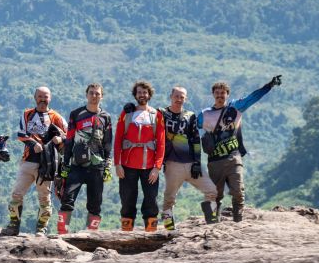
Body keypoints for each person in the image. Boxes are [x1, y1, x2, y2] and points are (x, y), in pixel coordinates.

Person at [197, 75, 282, 222]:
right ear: (213, 94)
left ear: (227, 94)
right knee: (215, 195)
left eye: (222, 93)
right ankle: (212, 223)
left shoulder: (235, 107)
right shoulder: (204, 115)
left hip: (233, 157)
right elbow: (191, 129)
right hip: (215, 161)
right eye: (217, 93)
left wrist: (269, 85)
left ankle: (238, 221)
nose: (220, 96)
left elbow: (253, 97)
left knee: (238, 192)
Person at [1, 86, 66, 236]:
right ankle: (13, 226)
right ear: (35, 97)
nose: (43, 99)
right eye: (40, 96)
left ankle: (41, 229)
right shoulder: (27, 114)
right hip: (28, 161)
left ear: (50, 98)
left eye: (46, 96)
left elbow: (68, 134)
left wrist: (60, 138)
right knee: (16, 194)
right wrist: (33, 144)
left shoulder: (56, 116)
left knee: (44, 198)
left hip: (47, 164)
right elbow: (21, 133)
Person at [160, 86, 219, 230]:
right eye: (177, 96)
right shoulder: (161, 114)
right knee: (169, 200)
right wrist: (132, 108)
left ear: (186, 98)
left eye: (182, 97)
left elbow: (195, 140)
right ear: (171, 96)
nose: (179, 99)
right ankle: (169, 230)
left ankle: (211, 224)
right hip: (172, 164)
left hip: (192, 163)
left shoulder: (190, 115)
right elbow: (146, 111)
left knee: (212, 191)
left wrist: (197, 163)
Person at [57, 83, 113, 234]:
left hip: (97, 166)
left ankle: (91, 236)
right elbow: (69, 140)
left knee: (95, 204)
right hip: (77, 164)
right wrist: (65, 163)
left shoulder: (105, 117)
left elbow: (107, 143)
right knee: (67, 198)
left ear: (102, 96)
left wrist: (108, 164)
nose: (94, 96)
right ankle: (62, 235)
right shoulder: (76, 114)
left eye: (97, 94)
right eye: (91, 93)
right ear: (86, 94)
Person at [114, 81, 166, 232]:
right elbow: (118, 140)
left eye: (145, 92)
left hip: (149, 167)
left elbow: (161, 143)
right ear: (135, 95)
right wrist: (118, 164)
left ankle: (151, 231)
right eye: (139, 92)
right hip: (127, 165)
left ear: (149, 95)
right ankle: (126, 233)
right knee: (127, 199)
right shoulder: (127, 114)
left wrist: (157, 167)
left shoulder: (156, 115)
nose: (142, 95)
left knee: (151, 199)